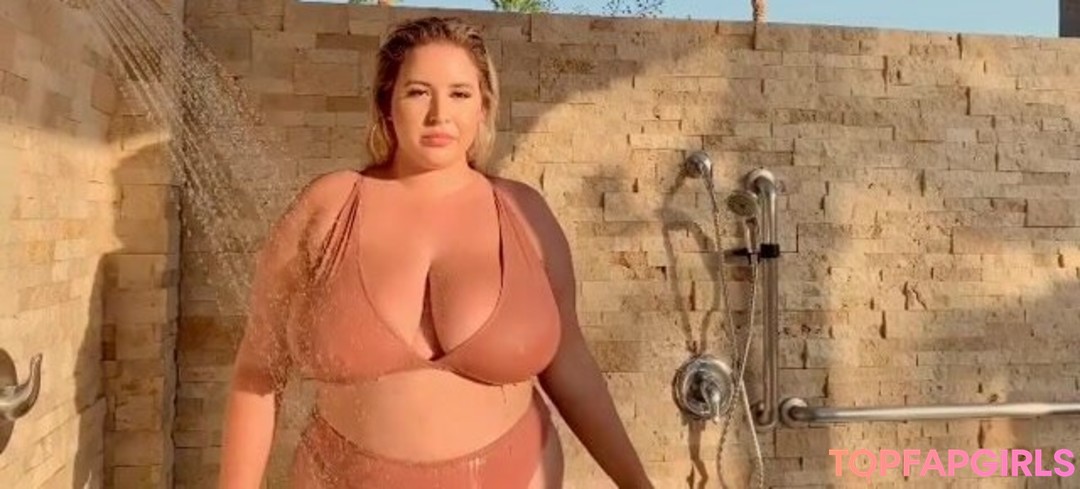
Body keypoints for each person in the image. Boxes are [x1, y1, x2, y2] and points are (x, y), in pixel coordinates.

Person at [217, 16, 654, 489]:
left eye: (460, 94)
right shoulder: (328, 208)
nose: (439, 114)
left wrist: (637, 484)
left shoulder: (525, 213)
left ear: (484, 107)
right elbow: (258, 370)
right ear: (387, 104)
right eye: (418, 92)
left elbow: (569, 362)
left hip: (516, 473)